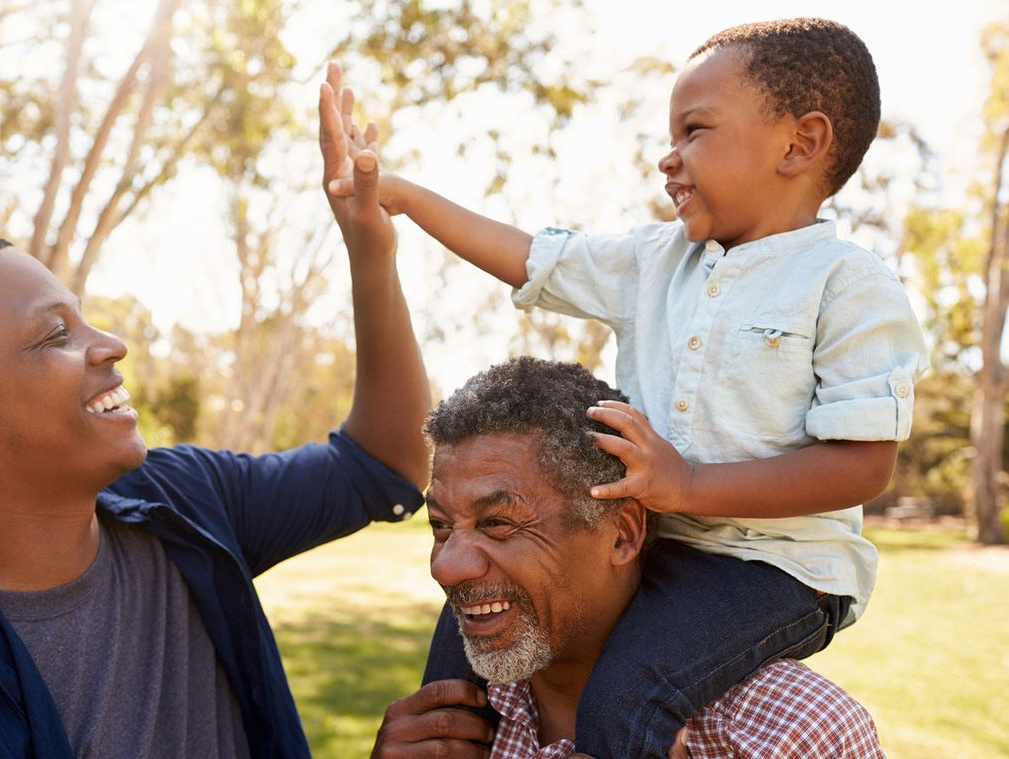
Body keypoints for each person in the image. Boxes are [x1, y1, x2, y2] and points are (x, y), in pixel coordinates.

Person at [325, 18, 928, 758]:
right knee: (457, 658)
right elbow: (529, 260)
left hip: (773, 571)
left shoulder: (847, 285)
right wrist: (400, 196)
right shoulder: (655, 260)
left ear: (799, 144)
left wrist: (688, 481)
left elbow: (861, 464)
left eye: (693, 131)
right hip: (661, 545)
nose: (666, 159)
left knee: (625, 696)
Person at [0, 77, 427, 758]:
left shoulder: (184, 499)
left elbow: (384, 464)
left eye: (84, 319)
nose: (109, 345)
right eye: (54, 334)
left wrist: (370, 246)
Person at [371, 357, 884, 759]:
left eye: (499, 524)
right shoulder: (441, 727)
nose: (447, 567)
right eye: (440, 527)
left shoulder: (795, 735)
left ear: (623, 534)